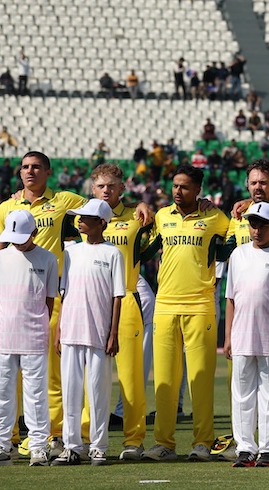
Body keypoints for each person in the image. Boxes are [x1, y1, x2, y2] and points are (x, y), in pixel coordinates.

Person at [0, 152, 89, 456]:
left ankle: (52, 435)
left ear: (48, 172)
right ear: (20, 173)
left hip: (49, 295)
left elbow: (100, 209)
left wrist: (141, 205)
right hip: (12, 299)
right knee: (8, 379)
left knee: (48, 375)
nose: (30, 172)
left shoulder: (64, 200)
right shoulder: (7, 206)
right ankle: (9, 439)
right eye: (25, 168)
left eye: (36, 167)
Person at [143, 167, 232, 462]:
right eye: (175, 186)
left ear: (197, 191)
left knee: (200, 379)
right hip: (165, 305)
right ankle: (163, 444)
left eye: (184, 187)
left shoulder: (215, 218)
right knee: (165, 380)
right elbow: (143, 244)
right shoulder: (161, 217)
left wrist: (235, 207)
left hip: (200, 306)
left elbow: (237, 234)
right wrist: (141, 206)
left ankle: (203, 443)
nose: (177, 192)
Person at [0, 210, 59, 466]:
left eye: (22, 237)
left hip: (35, 335)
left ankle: (38, 447)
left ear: (35, 233)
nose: (17, 241)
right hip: (4, 334)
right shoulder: (0, 258)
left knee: (36, 394)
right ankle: (0, 445)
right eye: (13, 237)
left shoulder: (48, 259)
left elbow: (49, 301)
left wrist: (37, 323)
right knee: (1, 392)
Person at [224, 202, 269, 468]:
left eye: (262, 225)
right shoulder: (238, 255)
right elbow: (230, 298)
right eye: (253, 224)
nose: (256, 230)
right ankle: (245, 448)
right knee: (242, 393)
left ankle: (268, 449)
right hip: (242, 334)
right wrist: (228, 336)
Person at [89, 165, 154, 460]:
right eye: (101, 186)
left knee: (131, 377)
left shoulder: (136, 218)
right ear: (93, 189)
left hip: (127, 299)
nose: (106, 191)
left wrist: (144, 206)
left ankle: (134, 440)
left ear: (122, 189)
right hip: (91, 302)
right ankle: (87, 438)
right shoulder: (82, 217)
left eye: (112, 186)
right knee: (91, 375)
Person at [55, 199, 126, 467]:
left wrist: (113, 333)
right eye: (79, 217)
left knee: (98, 393)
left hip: (99, 333)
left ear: (102, 223)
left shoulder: (113, 253)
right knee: (70, 393)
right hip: (71, 331)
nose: (79, 221)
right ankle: (72, 447)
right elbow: (65, 293)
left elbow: (117, 296)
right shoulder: (71, 252)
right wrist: (60, 329)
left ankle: (98, 447)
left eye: (85, 217)